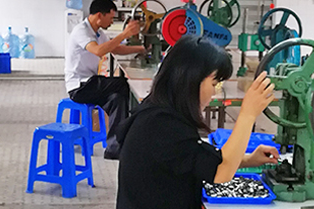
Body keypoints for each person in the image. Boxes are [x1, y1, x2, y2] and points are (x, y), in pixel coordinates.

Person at [114, 35, 279, 209]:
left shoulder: (158, 110)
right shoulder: (162, 126)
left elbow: (193, 159)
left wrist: (248, 160)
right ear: (191, 80)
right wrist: (248, 114)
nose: (214, 93)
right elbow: (221, 172)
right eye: (214, 83)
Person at [65, 0, 146, 159]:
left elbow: (115, 48)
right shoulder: (81, 31)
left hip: (91, 83)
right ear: (99, 15)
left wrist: (142, 49)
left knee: (117, 99)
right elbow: (98, 51)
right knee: (123, 84)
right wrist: (124, 34)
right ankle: (136, 123)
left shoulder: (98, 33)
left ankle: (114, 149)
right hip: (79, 87)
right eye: (110, 18)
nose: (111, 21)